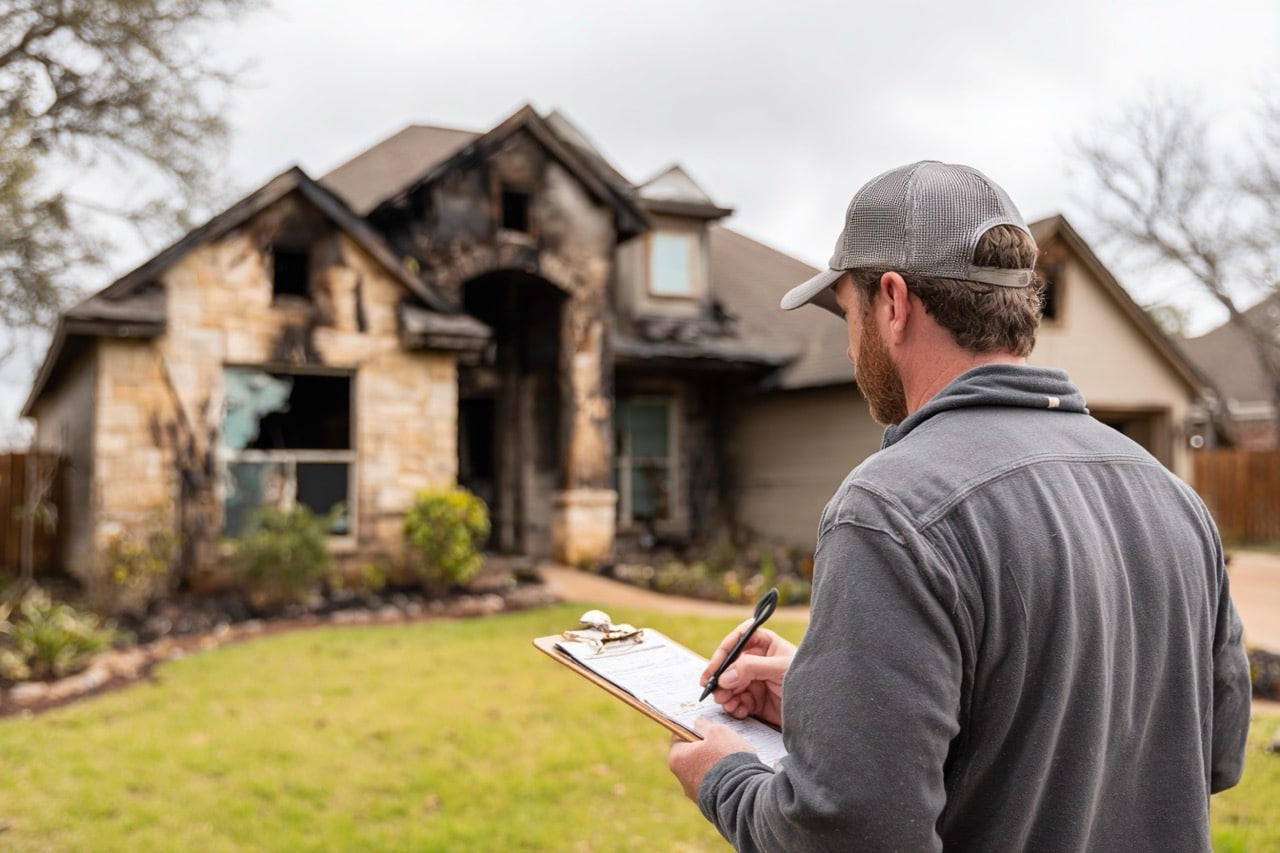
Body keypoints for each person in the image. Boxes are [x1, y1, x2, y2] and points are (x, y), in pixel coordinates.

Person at [667, 161, 1252, 851]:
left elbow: (847, 831)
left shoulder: (891, 509)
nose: (851, 345)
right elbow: (1207, 751)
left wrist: (723, 776)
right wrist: (834, 703)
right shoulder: (1173, 498)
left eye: (847, 315)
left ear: (891, 303)